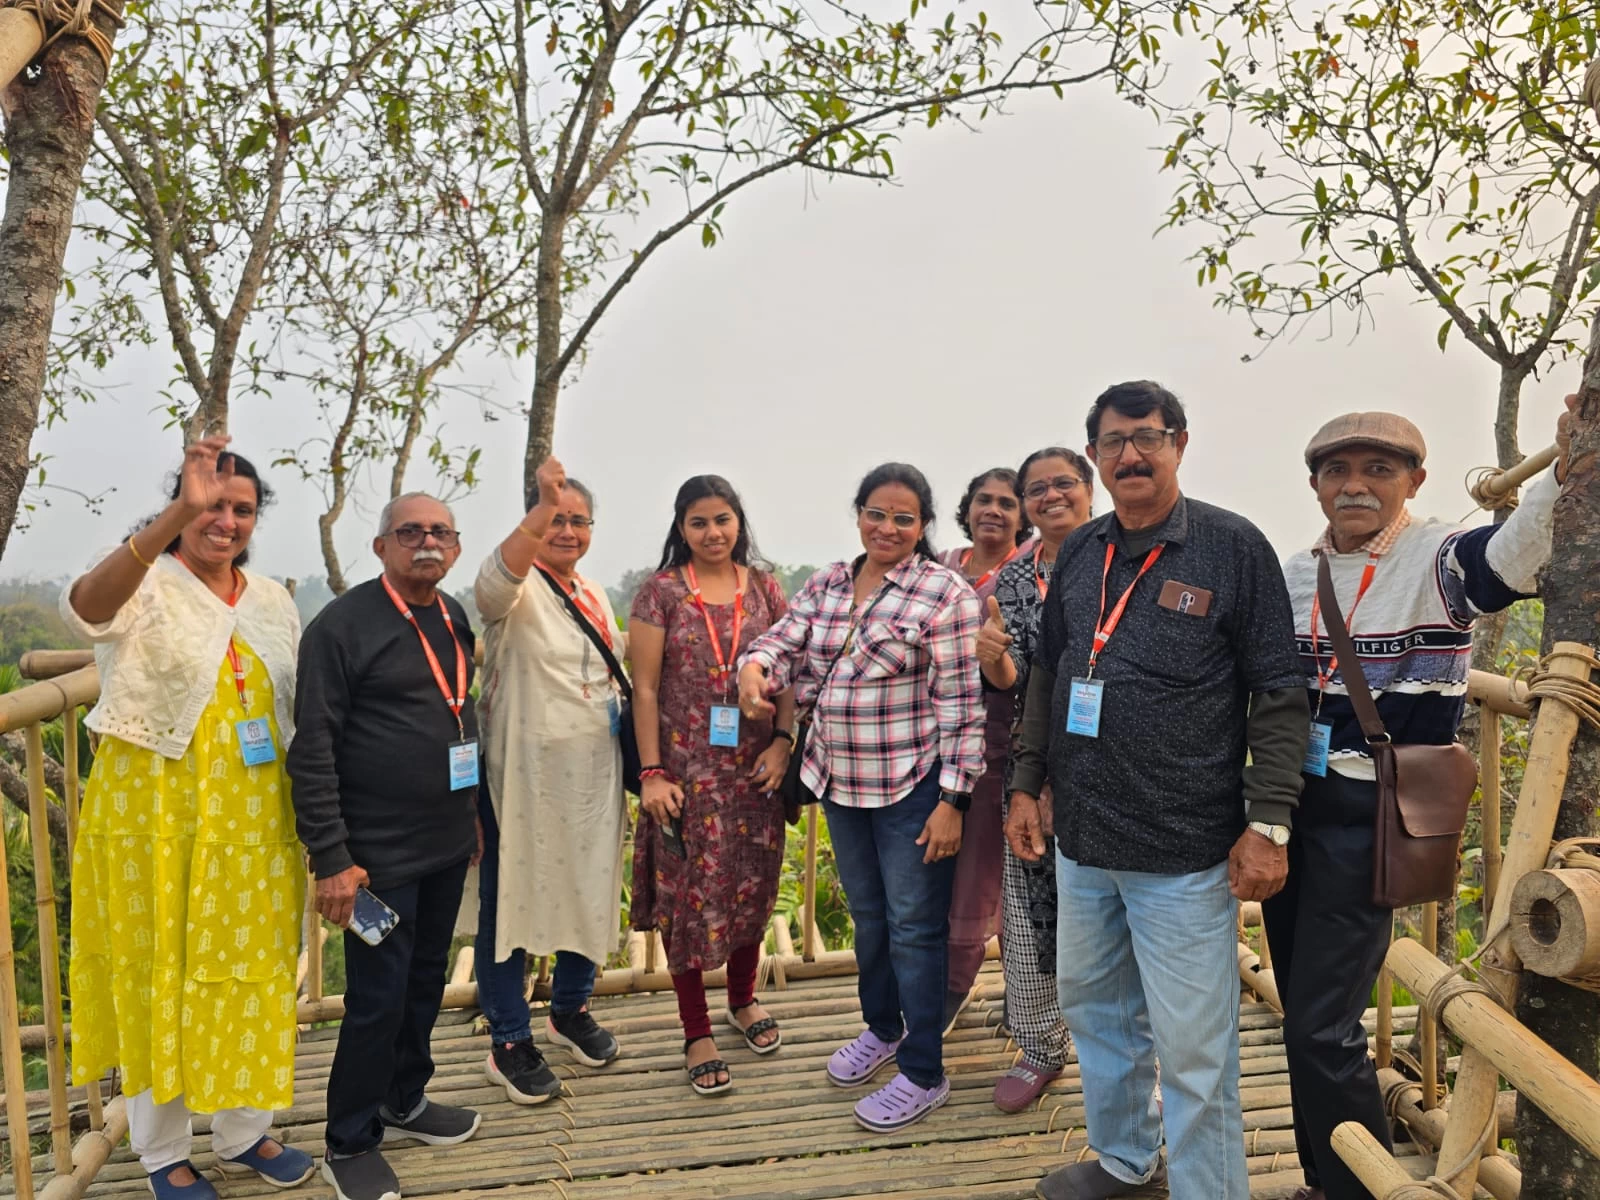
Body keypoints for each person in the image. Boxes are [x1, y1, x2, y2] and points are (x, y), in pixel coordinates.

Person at [1009, 381, 1310, 1200]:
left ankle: (1210, 1191)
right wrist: (1027, 783)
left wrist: (1270, 823)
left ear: (1179, 442)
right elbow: (1049, 670)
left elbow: (1280, 692)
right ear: (1095, 455)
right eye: (1113, 442)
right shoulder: (1080, 551)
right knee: (1097, 1013)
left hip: (1183, 850)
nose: (1131, 455)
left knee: (1194, 1048)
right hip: (1083, 842)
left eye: (1148, 437)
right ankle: (1123, 1159)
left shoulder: (1230, 546)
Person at [1269, 402, 1572, 1200]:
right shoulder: (1295, 572)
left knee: (1320, 1025)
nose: (1357, 485)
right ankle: (1322, 1175)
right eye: (1338, 470)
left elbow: (1510, 560)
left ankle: (1355, 1187)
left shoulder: (1437, 555)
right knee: (1302, 999)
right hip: (1289, 807)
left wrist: (1560, 466)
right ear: (1315, 485)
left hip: (1373, 816)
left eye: (1379, 469)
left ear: (1415, 481)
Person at [63, 438, 313, 1200]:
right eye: (209, 504)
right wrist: (175, 511)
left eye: (240, 509)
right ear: (181, 508)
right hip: (153, 818)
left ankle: (243, 1132)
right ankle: (161, 1150)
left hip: (255, 818)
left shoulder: (272, 598)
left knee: (253, 971)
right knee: (158, 972)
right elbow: (86, 609)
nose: (224, 520)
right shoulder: (146, 580)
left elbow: (293, 706)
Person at [738, 463, 985, 1133]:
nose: (888, 528)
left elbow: (962, 708)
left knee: (914, 927)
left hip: (912, 788)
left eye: (904, 518)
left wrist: (952, 802)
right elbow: (784, 642)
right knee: (871, 916)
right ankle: (883, 1029)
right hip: (839, 784)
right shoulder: (828, 582)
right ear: (858, 514)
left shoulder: (945, 595)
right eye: (877, 513)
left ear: (923, 527)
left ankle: (925, 1069)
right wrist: (754, 667)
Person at [289, 494, 483, 1200]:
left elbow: (456, 719)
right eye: (410, 532)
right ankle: (351, 1138)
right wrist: (332, 856)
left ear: (455, 548)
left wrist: (473, 819)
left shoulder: (453, 614)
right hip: (374, 857)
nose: (426, 543)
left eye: (439, 532)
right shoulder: (341, 627)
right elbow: (311, 750)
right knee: (376, 998)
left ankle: (405, 1099)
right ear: (380, 547)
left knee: (426, 980)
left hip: (443, 841)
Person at [629, 475, 795, 1094]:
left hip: (755, 774)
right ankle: (696, 1027)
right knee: (687, 903)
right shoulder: (662, 594)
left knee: (753, 887)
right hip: (685, 777)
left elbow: (789, 676)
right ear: (681, 529)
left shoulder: (767, 590)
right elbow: (644, 689)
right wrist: (651, 773)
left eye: (722, 519)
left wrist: (783, 743)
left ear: (738, 522)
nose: (713, 533)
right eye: (698, 522)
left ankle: (743, 1000)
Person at [471, 457, 627, 1108]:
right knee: (511, 900)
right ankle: (508, 1039)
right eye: (554, 520)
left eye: (577, 520)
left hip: (594, 772)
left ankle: (569, 1009)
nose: (566, 531)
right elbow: (491, 586)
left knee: (587, 885)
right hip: (523, 775)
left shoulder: (593, 592)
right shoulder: (515, 586)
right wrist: (541, 504)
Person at [981, 447, 1094, 1112]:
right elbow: (1018, 679)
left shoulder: (1124, 558)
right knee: (1027, 912)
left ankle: (1138, 1061)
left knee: (1115, 912)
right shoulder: (1013, 581)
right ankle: (1043, 1046)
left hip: (1118, 765)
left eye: (1064, 484)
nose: (1052, 497)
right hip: (1034, 761)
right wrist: (993, 659)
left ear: (1089, 490)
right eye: (1037, 489)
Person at [937, 468, 1032, 1032]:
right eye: (983, 500)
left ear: (1021, 518)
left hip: (998, 741)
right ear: (966, 508)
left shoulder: (1025, 574)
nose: (993, 510)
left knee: (980, 873)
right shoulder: (941, 566)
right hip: (933, 741)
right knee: (939, 869)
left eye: (1006, 503)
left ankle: (955, 985)